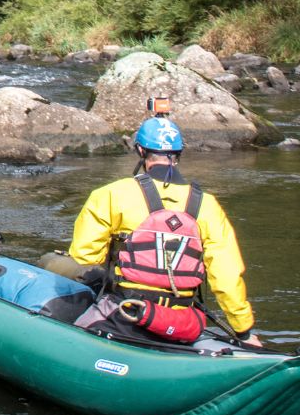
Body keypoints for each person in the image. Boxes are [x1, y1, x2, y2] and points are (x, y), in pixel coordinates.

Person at [65, 113, 263, 347]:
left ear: (140, 151)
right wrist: (244, 331)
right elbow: (226, 276)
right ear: (178, 155)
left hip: (124, 316)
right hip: (182, 323)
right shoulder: (208, 205)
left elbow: (85, 257)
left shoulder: (111, 194)